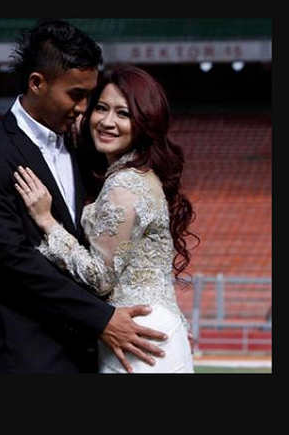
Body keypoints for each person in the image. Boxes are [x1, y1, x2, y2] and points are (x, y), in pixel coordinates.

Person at [0, 20, 167, 373]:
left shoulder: (85, 144)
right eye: (75, 94)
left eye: (90, 95)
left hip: (99, 356)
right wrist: (101, 320)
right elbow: (13, 261)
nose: (85, 107)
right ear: (37, 83)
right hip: (30, 357)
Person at [14, 64, 197, 372]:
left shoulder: (124, 184)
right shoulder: (137, 174)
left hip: (137, 337)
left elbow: (100, 278)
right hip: (150, 330)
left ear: (144, 121)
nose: (108, 122)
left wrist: (47, 222)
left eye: (123, 114)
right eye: (101, 109)